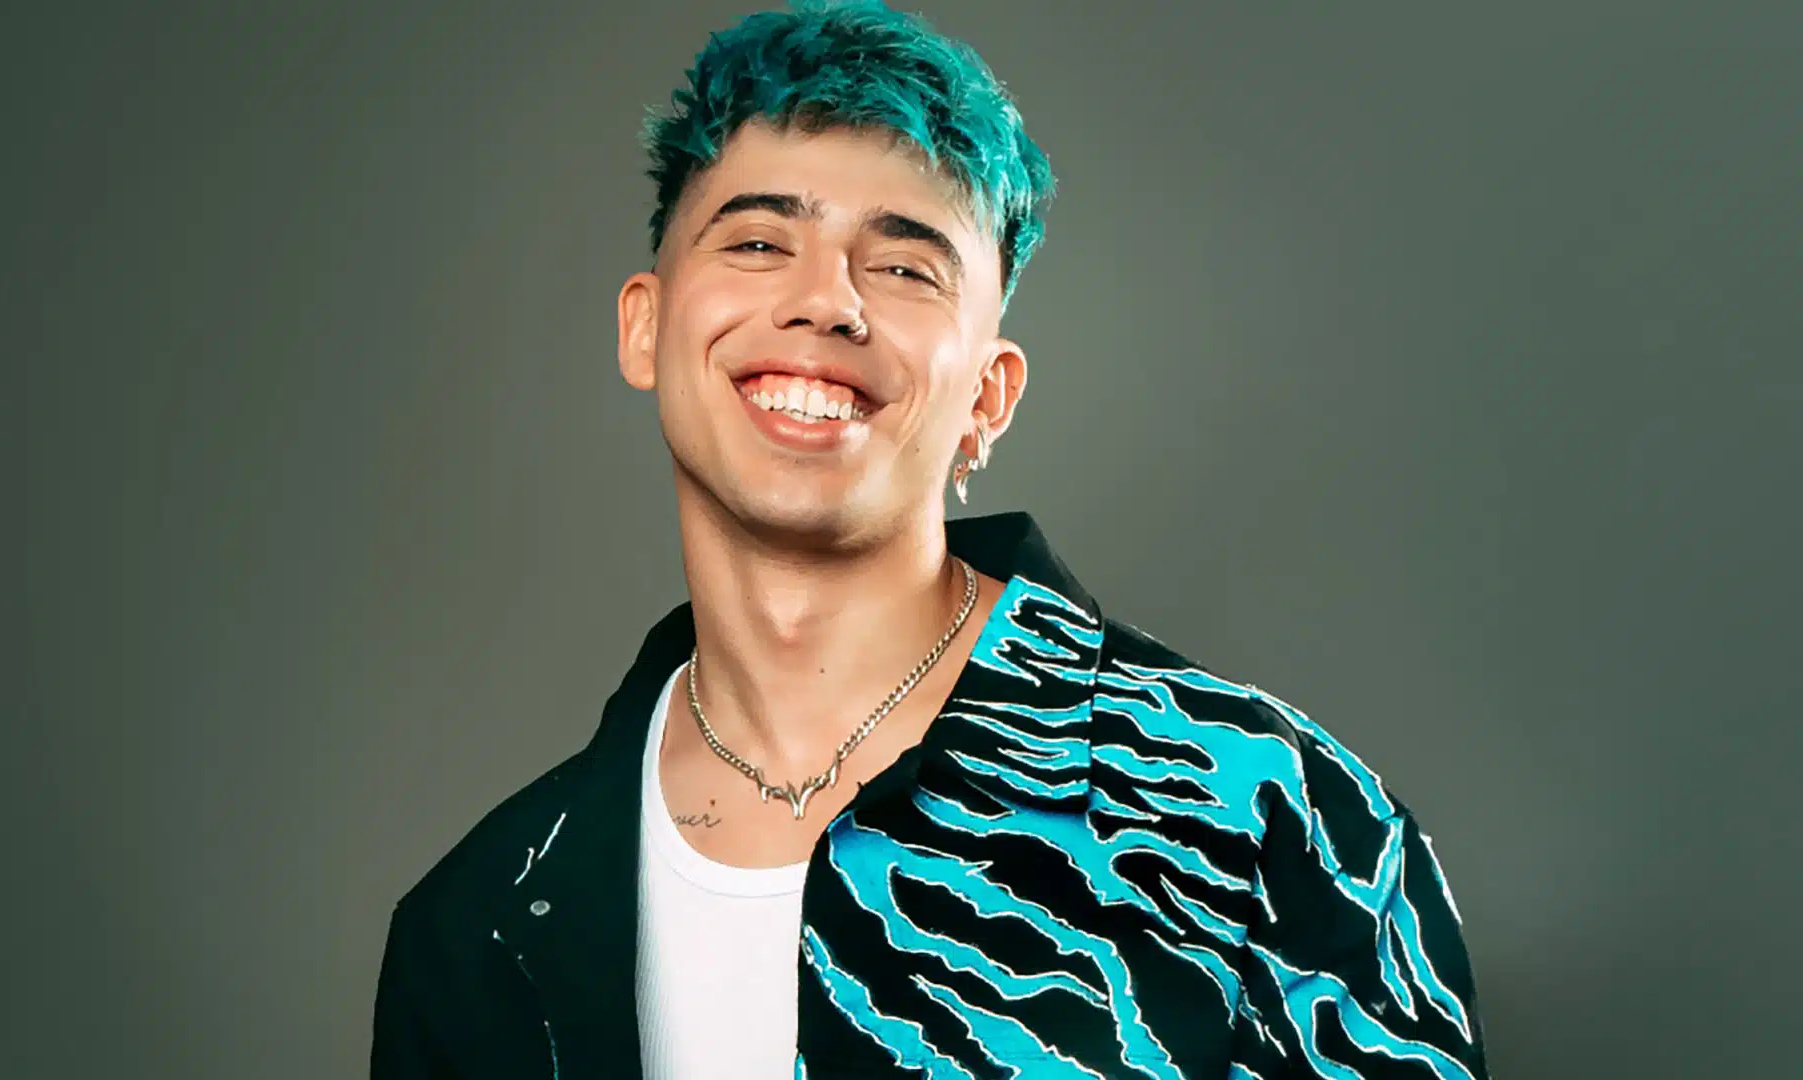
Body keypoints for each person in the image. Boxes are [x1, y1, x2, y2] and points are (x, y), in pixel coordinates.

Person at [369, 2, 1490, 1077]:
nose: (826, 302)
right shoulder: (474, 928)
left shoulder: (1278, 825)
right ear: (645, 328)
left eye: (905, 266)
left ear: (988, 398)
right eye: (758, 241)